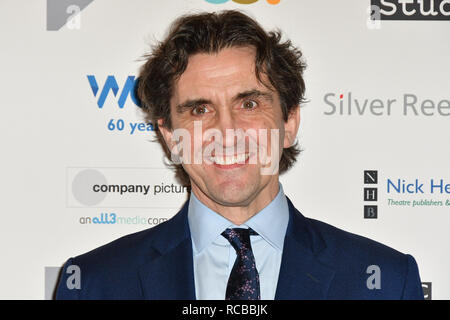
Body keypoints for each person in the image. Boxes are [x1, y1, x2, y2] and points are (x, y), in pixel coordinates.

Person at [56, 10, 423, 300]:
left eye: (248, 103)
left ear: (290, 121)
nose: (226, 132)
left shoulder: (384, 279)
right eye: (199, 110)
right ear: (170, 137)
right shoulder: (95, 283)